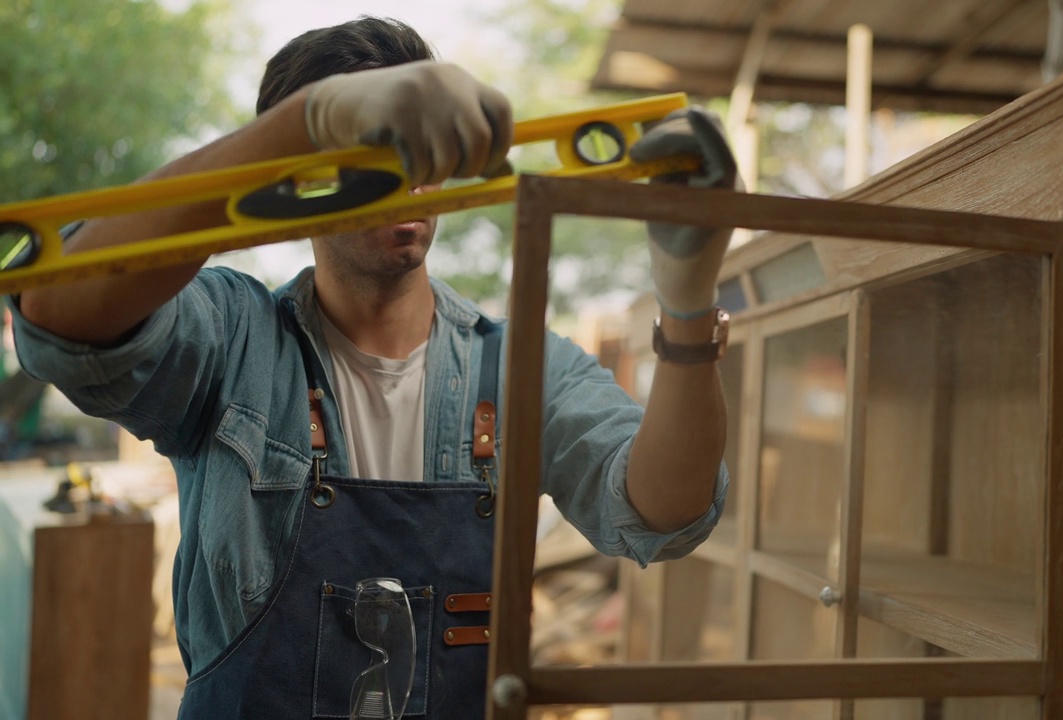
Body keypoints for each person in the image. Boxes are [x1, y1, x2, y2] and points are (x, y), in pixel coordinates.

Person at [7, 15, 735, 720]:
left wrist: (688, 306)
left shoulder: (519, 368)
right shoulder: (235, 342)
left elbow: (663, 511)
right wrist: (302, 125)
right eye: (378, 149)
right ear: (300, 178)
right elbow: (59, 321)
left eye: (423, 149)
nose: (411, 179)